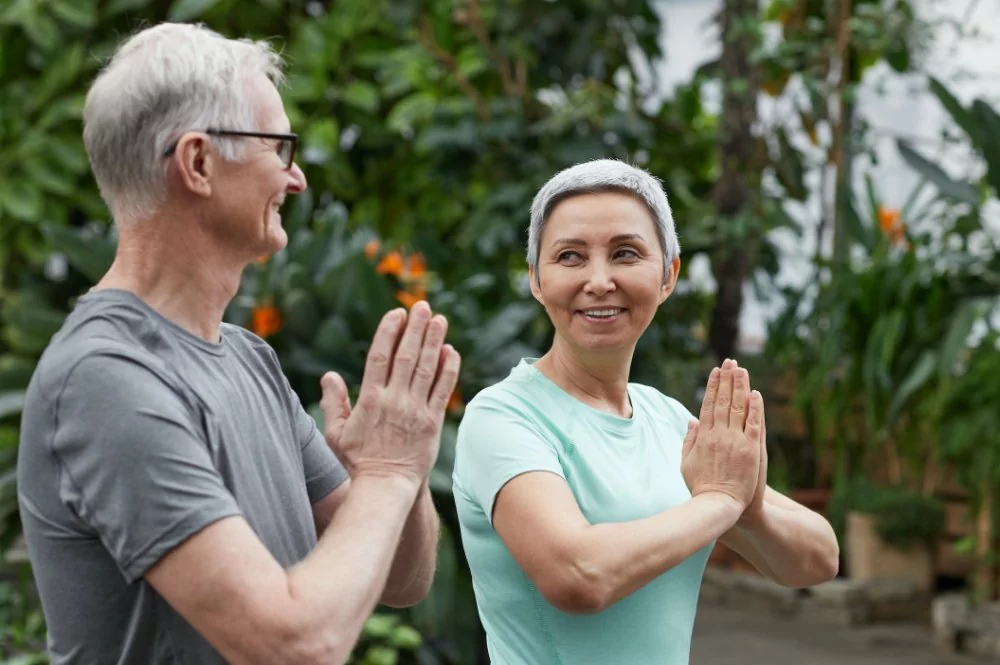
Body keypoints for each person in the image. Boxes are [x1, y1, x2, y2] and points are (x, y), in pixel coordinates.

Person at [16, 22, 460, 665]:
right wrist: (388, 474)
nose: (297, 178)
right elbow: (294, 644)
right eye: (279, 147)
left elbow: (400, 578)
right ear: (198, 163)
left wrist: (398, 471)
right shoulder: (103, 379)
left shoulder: (251, 359)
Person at [451, 159, 840, 665]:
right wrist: (720, 501)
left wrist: (750, 506)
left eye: (625, 253)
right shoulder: (504, 418)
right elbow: (578, 575)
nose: (598, 280)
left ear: (667, 275)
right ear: (536, 280)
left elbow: (818, 560)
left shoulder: (667, 420)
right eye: (570, 256)